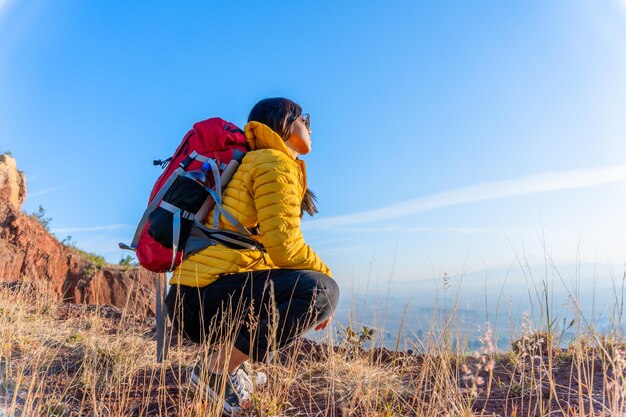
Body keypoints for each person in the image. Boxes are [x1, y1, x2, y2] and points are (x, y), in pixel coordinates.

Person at [165, 97, 339, 416]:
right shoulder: (274, 162)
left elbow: (262, 255)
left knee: (295, 286)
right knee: (322, 290)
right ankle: (215, 371)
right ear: (285, 123)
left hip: (191, 298)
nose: (311, 128)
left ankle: (232, 369)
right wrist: (324, 282)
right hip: (201, 299)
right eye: (306, 120)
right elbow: (284, 248)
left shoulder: (257, 162)